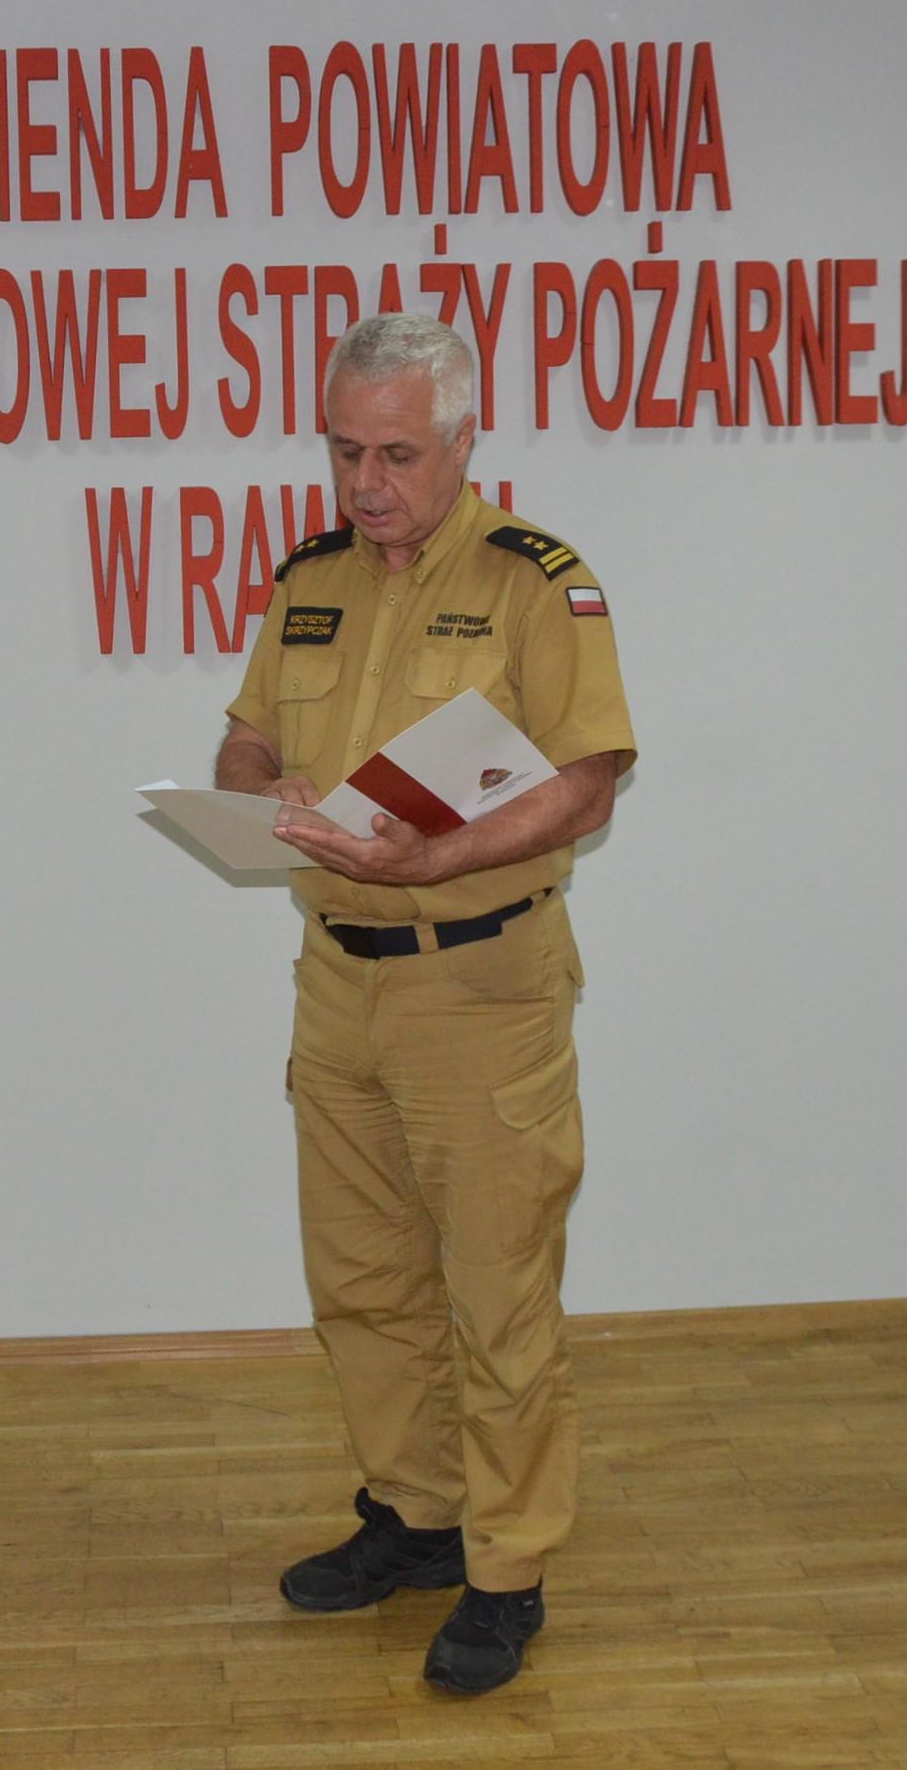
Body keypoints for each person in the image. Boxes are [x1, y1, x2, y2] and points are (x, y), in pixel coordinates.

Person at [217, 312, 635, 1693]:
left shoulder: (536, 584)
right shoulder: (312, 579)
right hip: (337, 983)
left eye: (397, 453)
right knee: (364, 1278)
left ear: (464, 440)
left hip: (480, 987)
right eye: (346, 450)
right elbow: (247, 735)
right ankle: (418, 1514)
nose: (367, 481)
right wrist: (258, 785)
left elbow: (589, 779)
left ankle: (507, 1573)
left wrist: (436, 858)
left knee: (498, 1293)